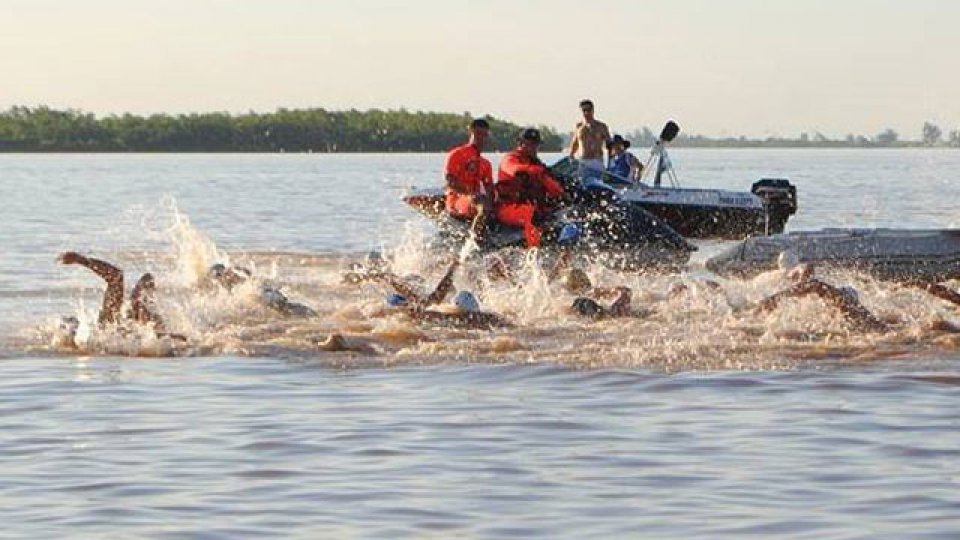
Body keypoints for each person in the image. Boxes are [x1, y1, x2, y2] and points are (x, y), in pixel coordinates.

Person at [57, 251, 186, 343]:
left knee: (146, 279)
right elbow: (116, 276)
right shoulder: (112, 321)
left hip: (118, 336)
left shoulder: (151, 322)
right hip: (110, 334)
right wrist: (82, 260)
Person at [496, 128, 568, 248]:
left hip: (528, 204)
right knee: (532, 214)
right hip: (507, 207)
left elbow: (550, 183)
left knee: (561, 215)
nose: (533, 147)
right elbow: (513, 170)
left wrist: (563, 194)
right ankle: (533, 254)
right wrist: (534, 170)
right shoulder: (510, 159)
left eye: (536, 144)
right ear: (520, 143)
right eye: (529, 144)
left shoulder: (536, 163)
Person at [444, 118, 494, 243]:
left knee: (492, 204)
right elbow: (450, 181)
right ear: (471, 133)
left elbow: (490, 188)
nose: (482, 139)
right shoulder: (457, 154)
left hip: (474, 201)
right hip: (458, 200)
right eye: (478, 134)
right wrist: (470, 194)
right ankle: (472, 244)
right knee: (482, 204)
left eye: (485, 135)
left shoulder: (485, 164)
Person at [205, 263, 317, 318]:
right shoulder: (229, 286)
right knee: (286, 308)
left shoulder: (231, 273)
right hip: (268, 293)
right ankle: (311, 314)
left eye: (217, 275)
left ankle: (310, 314)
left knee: (284, 308)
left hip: (264, 293)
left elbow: (248, 275)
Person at [568, 99, 612, 177]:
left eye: (588, 110)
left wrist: (609, 165)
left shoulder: (601, 126)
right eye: (584, 110)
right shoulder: (579, 127)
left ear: (593, 110)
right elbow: (574, 145)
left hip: (597, 161)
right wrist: (571, 158)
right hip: (583, 161)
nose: (586, 113)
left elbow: (610, 147)